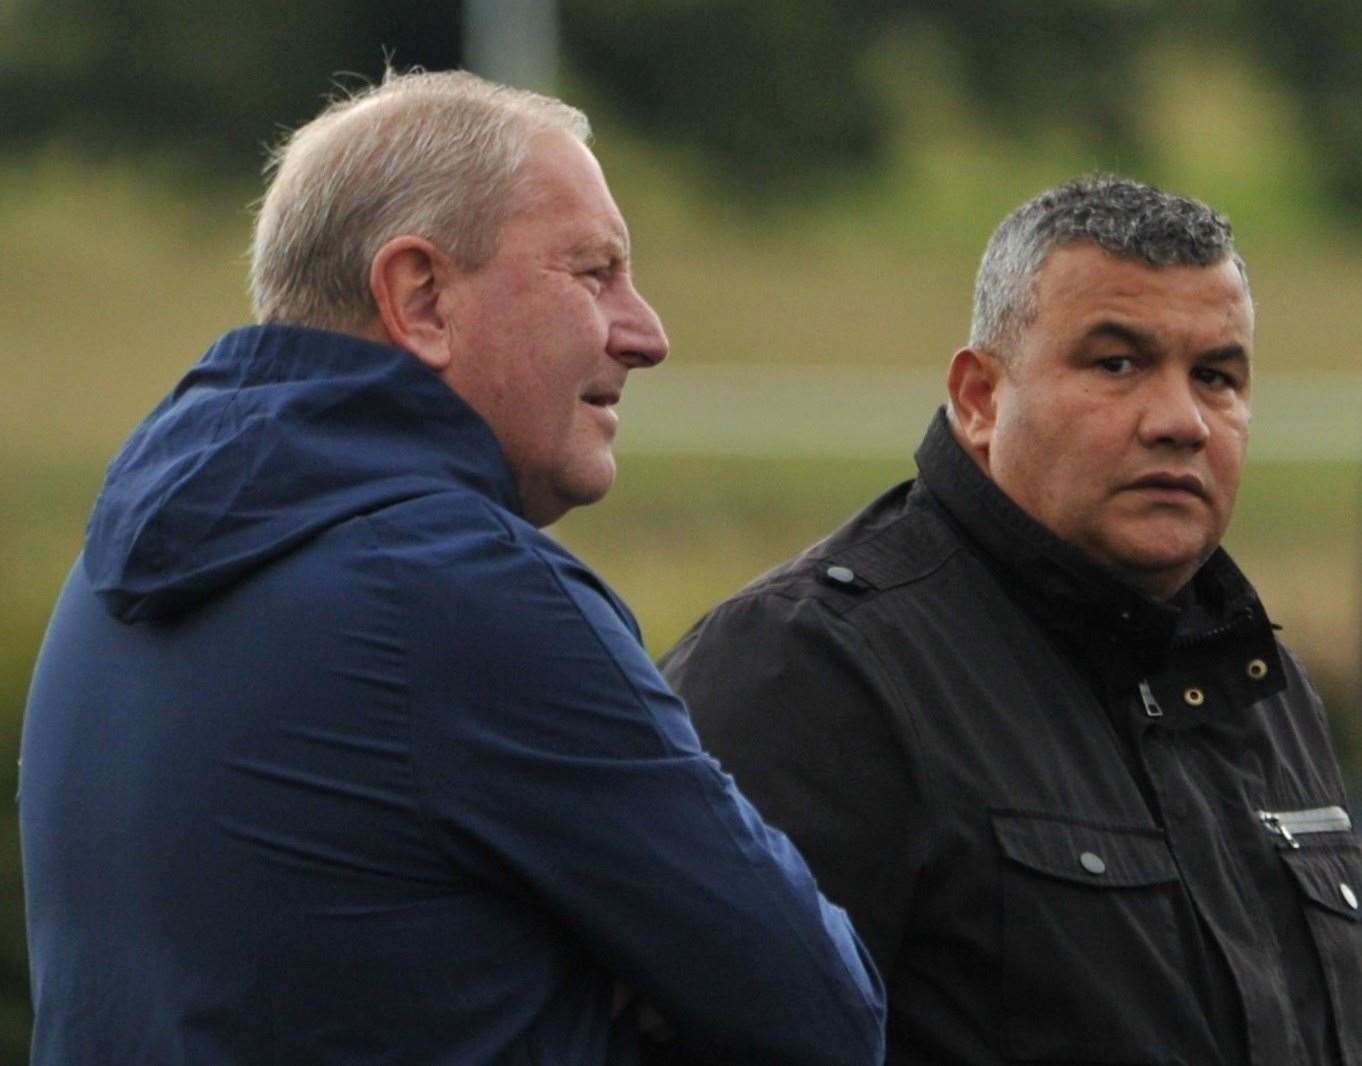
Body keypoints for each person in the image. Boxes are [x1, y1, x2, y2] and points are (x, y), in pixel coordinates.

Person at [19, 69, 885, 1065]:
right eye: (595, 272)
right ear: (419, 296)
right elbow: (819, 1014)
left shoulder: (115, 574)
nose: (648, 334)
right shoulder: (460, 591)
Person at [660, 175, 1362, 1065]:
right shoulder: (815, 670)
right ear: (981, 399)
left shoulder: (1261, 687)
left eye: (1216, 376)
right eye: (1117, 364)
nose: (1181, 421)